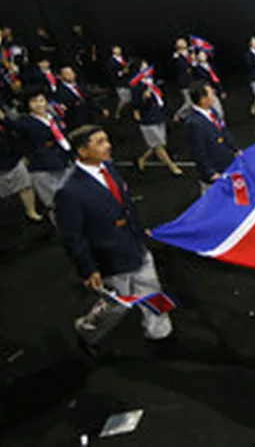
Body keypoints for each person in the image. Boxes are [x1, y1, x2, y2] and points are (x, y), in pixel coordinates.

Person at [55, 125, 173, 357]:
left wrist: (140, 231)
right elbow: (73, 236)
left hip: (134, 246)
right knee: (115, 305)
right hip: (110, 258)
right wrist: (88, 269)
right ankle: (88, 330)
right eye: (99, 142)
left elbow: (126, 206)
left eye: (107, 140)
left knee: (152, 289)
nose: (108, 146)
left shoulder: (108, 167)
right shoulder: (69, 191)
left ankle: (159, 331)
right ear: (82, 151)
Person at [12, 90, 73, 219]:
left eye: (41, 100)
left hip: (64, 160)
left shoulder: (54, 117)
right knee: (55, 203)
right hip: (43, 167)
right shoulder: (24, 122)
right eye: (34, 101)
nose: (39, 104)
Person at [185, 81, 241, 195]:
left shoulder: (212, 112)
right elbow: (198, 151)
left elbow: (223, 131)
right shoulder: (194, 123)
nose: (214, 94)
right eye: (211, 93)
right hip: (215, 174)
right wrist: (210, 173)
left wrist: (236, 149)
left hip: (227, 164)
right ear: (203, 99)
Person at [131, 61, 183, 177]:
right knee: (158, 145)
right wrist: (144, 98)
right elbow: (136, 105)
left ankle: (142, 159)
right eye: (143, 68)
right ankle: (172, 167)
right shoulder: (137, 87)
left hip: (159, 116)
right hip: (148, 120)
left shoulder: (153, 84)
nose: (147, 70)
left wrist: (170, 114)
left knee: (158, 144)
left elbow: (162, 101)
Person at [105, 45, 132, 121]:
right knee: (124, 99)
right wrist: (122, 72)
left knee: (129, 98)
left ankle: (128, 113)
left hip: (127, 81)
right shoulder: (110, 61)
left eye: (119, 49)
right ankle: (117, 113)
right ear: (113, 51)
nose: (119, 50)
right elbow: (111, 73)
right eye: (117, 49)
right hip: (119, 83)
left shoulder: (123, 58)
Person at [172, 37, 195, 121]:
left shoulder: (189, 53)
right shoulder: (176, 56)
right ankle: (178, 115)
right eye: (180, 42)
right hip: (184, 82)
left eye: (184, 41)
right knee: (189, 102)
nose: (183, 43)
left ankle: (185, 117)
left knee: (193, 102)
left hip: (192, 80)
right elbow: (180, 65)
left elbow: (193, 66)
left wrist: (193, 59)